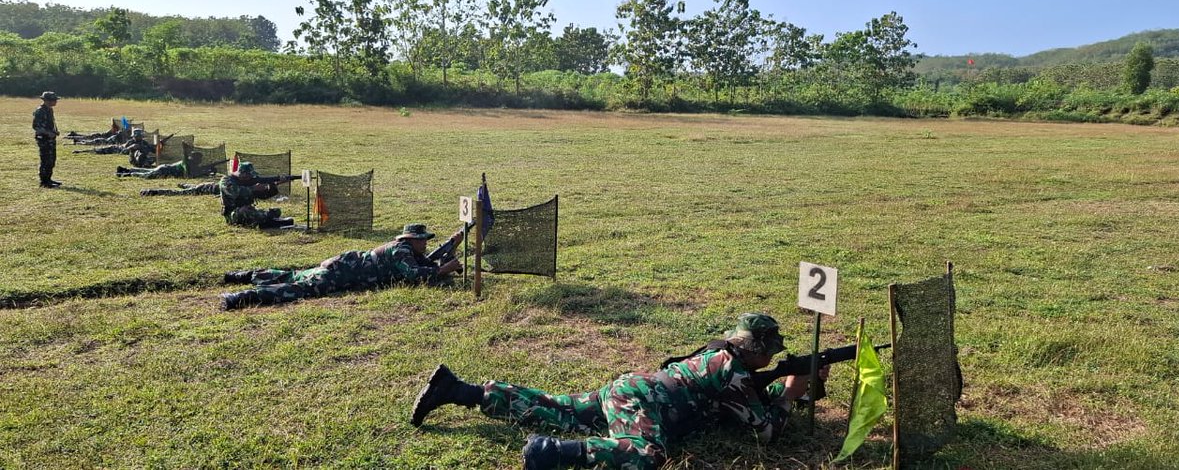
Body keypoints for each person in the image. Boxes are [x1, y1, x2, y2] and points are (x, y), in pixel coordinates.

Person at [409, 313, 831, 470]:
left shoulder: (719, 356)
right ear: (754, 348)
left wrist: (799, 386)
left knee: (562, 408)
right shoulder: (736, 375)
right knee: (646, 454)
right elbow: (766, 431)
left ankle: (460, 391)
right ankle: (553, 453)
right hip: (642, 401)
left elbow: (750, 395)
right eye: (769, 349)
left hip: (629, 387)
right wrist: (789, 396)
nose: (773, 356)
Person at [219, 223, 466, 309]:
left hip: (343, 264)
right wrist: (443, 269)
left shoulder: (404, 249)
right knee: (300, 288)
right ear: (412, 240)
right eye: (423, 240)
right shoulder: (401, 251)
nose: (425, 244)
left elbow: (426, 263)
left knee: (295, 274)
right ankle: (240, 297)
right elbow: (414, 275)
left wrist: (453, 244)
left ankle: (246, 276)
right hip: (342, 273)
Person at [218, 162, 293, 228]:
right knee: (247, 213)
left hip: (249, 210)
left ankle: (265, 219)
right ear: (242, 174)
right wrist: (253, 188)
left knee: (276, 211)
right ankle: (267, 220)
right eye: (249, 176)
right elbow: (233, 192)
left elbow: (264, 196)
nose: (251, 178)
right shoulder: (226, 180)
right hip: (232, 214)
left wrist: (274, 184)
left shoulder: (249, 182)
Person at [74, 128, 155, 167]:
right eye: (137, 136)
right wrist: (131, 147)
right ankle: (82, 151)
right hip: (116, 148)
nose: (137, 138)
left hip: (135, 158)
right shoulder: (131, 142)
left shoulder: (144, 143)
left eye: (138, 136)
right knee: (100, 150)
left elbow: (151, 150)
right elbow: (124, 150)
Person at [32, 91, 61, 188]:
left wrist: (55, 131)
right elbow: (36, 126)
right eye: (53, 100)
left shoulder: (49, 110)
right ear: (47, 101)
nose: (55, 102)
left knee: (52, 159)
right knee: (46, 160)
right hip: (44, 139)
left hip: (50, 139)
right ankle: (44, 182)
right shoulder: (40, 111)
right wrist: (48, 133)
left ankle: (48, 179)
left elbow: (50, 123)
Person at [116, 151, 211, 179]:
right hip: (164, 171)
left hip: (164, 168)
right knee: (146, 175)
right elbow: (191, 174)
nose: (200, 160)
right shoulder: (189, 163)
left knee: (146, 171)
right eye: (199, 159)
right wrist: (206, 171)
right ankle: (128, 174)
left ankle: (127, 169)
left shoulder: (189, 161)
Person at [140, 181, 219, 197]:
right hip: (204, 189)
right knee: (178, 193)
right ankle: (153, 192)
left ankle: (184, 184)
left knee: (193, 187)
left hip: (207, 184)